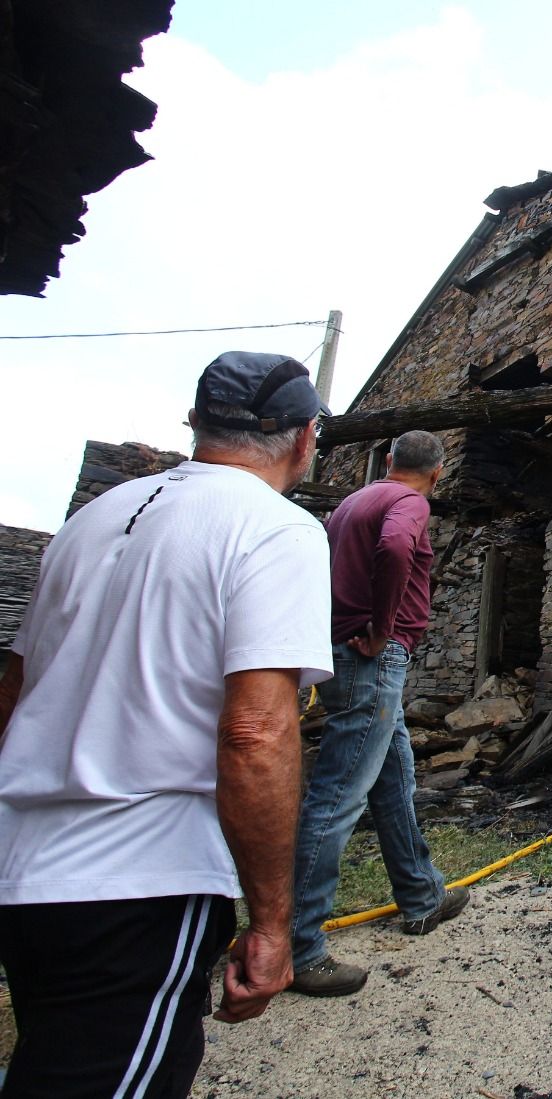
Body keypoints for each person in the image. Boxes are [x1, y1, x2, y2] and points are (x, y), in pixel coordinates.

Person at [0, 352, 332, 1096]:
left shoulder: (92, 520)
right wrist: (274, 923)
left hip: (23, 872)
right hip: (137, 879)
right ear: (306, 437)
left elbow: (15, 690)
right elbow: (256, 734)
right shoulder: (277, 530)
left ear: (195, 425)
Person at [290, 429, 468, 997]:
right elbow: (395, 550)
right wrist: (382, 626)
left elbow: (318, 557)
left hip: (342, 651)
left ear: (388, 460)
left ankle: (421, 897)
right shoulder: (410, 502)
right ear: (438, 471)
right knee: (337, 796)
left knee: (395, 780)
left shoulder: (350, 502)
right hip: (373, 656)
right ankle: (298, 948)